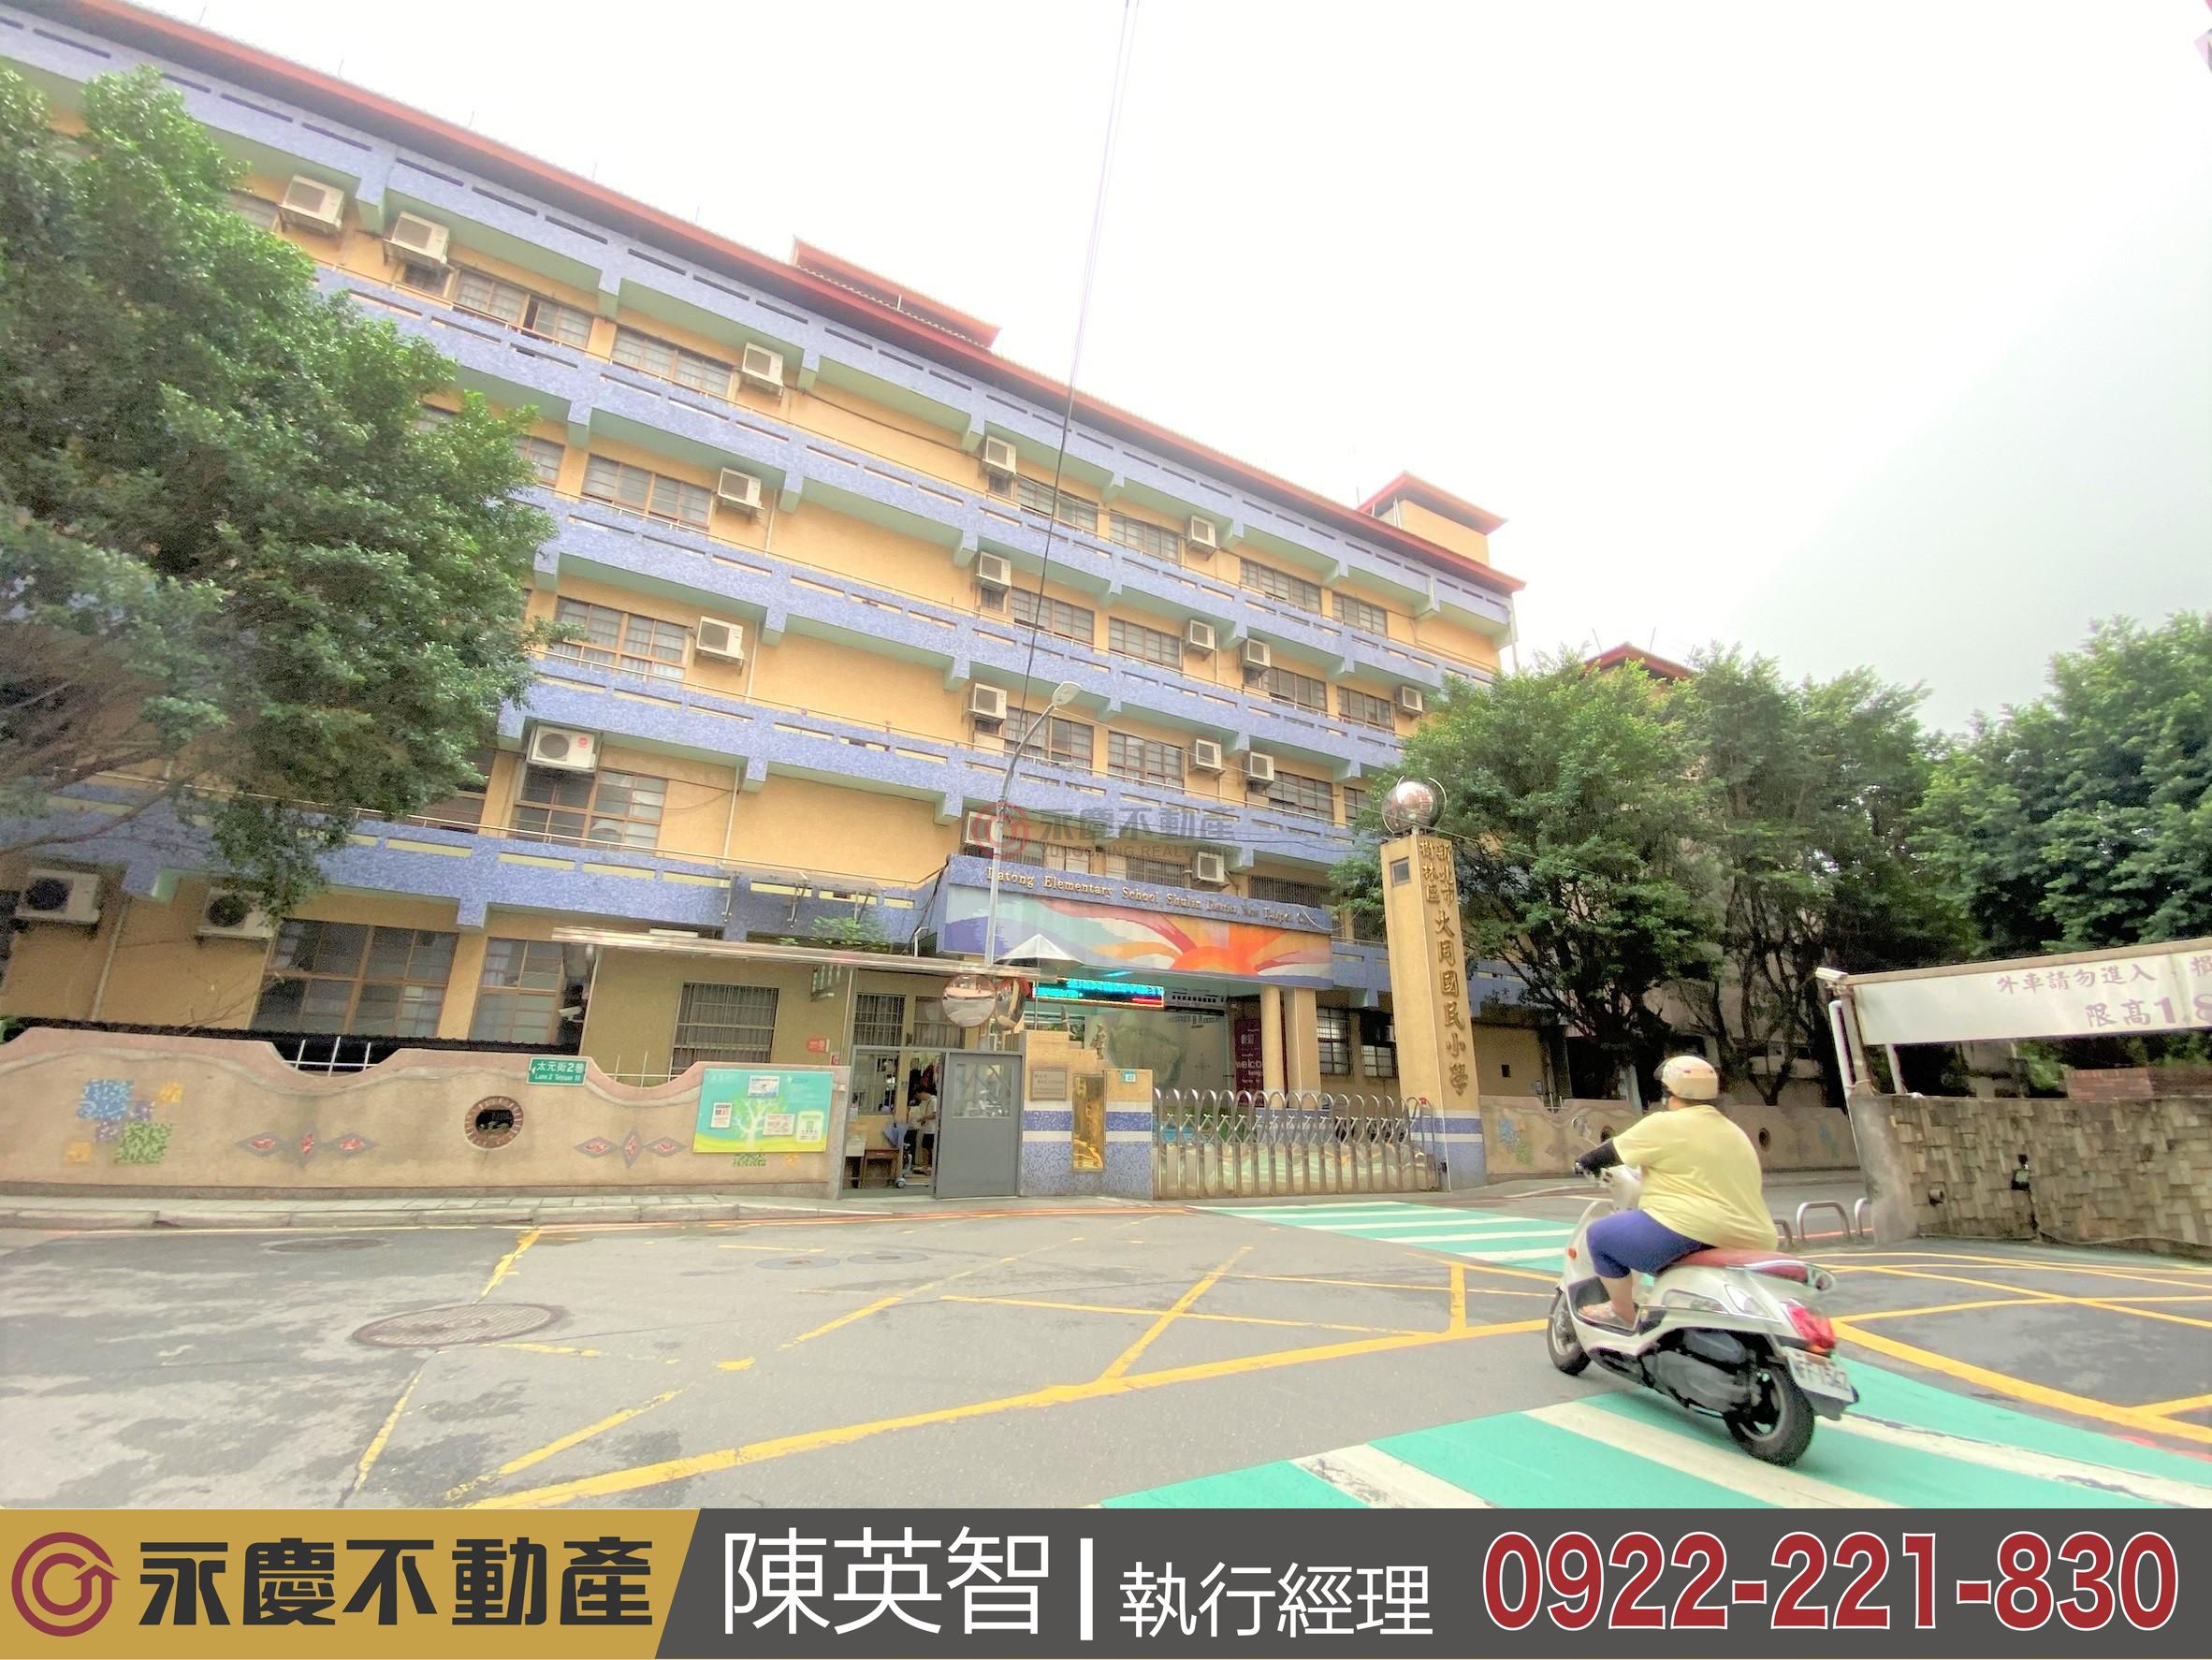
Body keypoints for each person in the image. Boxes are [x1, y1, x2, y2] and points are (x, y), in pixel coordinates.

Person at [1571, 1055, 1779, 1328]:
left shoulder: (1665, 1124)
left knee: (1600, 1236)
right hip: (1755, 1236)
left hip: (1690, 1228)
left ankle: (1621, 1310)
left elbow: (1610, 1153)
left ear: (1668, 1094)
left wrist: (1584, 1162)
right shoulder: (1733, 1132)